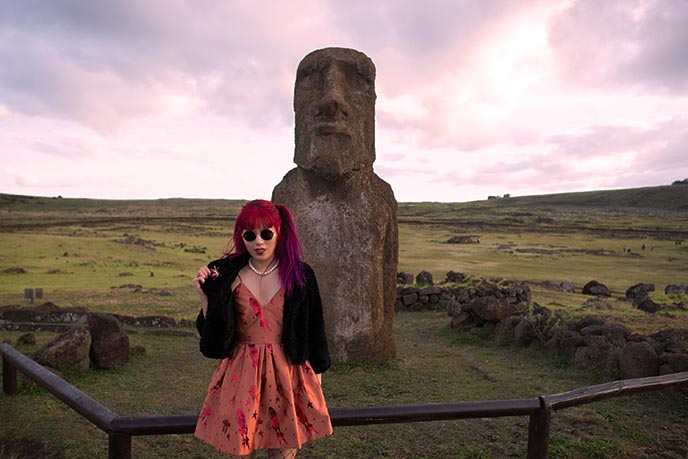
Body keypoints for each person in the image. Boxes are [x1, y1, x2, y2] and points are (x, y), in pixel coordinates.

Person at [193, 199, 333, 459]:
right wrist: (206, 298)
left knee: (282, 454)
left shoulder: (300, 274)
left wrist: (316, 382)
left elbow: (315, 329)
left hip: (288, 374)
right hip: (241, 373)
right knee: (240, 451)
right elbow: (214, 339)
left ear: (279, 232)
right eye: (250, 234)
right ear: (242, 237)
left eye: (266, 233)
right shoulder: (225, 274)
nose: (259, 241)